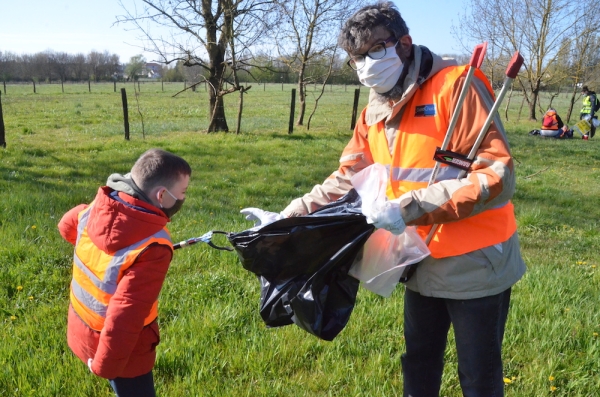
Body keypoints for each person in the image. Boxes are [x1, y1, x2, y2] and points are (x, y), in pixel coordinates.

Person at [241, 2, 526, 396]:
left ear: (404, 43)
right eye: (355, 58)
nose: (365, 65)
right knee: (419, 364)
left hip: (476, 266)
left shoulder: (457, 86)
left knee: (478, 376)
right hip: (417, 262)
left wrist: (406, 208)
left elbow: (497, 174)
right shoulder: (375, 108)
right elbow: (347, 177)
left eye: (373, 51)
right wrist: (290, 216)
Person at [58, 148, 191, 397]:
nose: (184, 198)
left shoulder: (98, 206)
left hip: (81, 328)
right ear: (162, 196)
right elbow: (125, 315)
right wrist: (104, 366)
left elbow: (66, 226)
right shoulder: (153, 247)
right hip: (122, 355)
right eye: (182, 193)